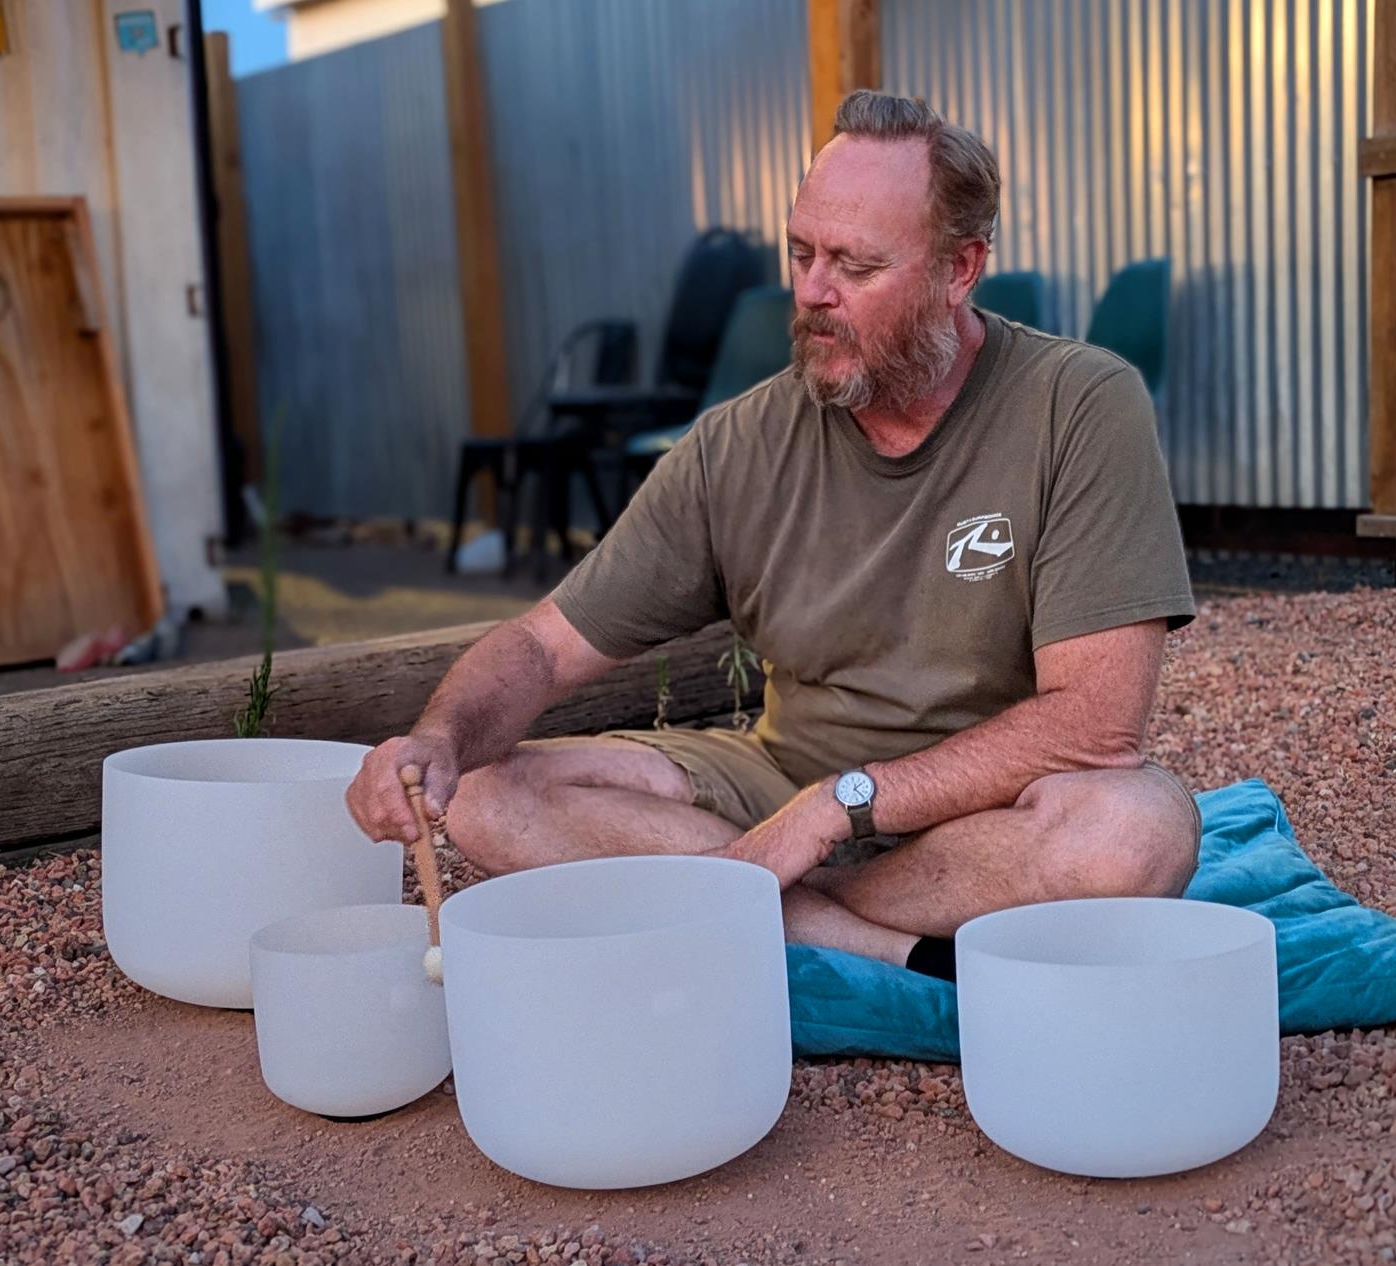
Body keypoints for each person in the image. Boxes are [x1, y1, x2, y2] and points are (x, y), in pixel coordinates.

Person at [345, 90, 1199, 980]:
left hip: (980, 816)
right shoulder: (736, 445)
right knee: (488, 796)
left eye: (856, 267)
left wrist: (839, 809)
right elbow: (542, 648)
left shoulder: (1079, 405)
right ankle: (867, 942)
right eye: (801, 253)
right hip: (775, 788)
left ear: (961, 268)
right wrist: (440, 738)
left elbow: (1097, 729)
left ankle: (754, 909)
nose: (812, 294)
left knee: (1133, 835)